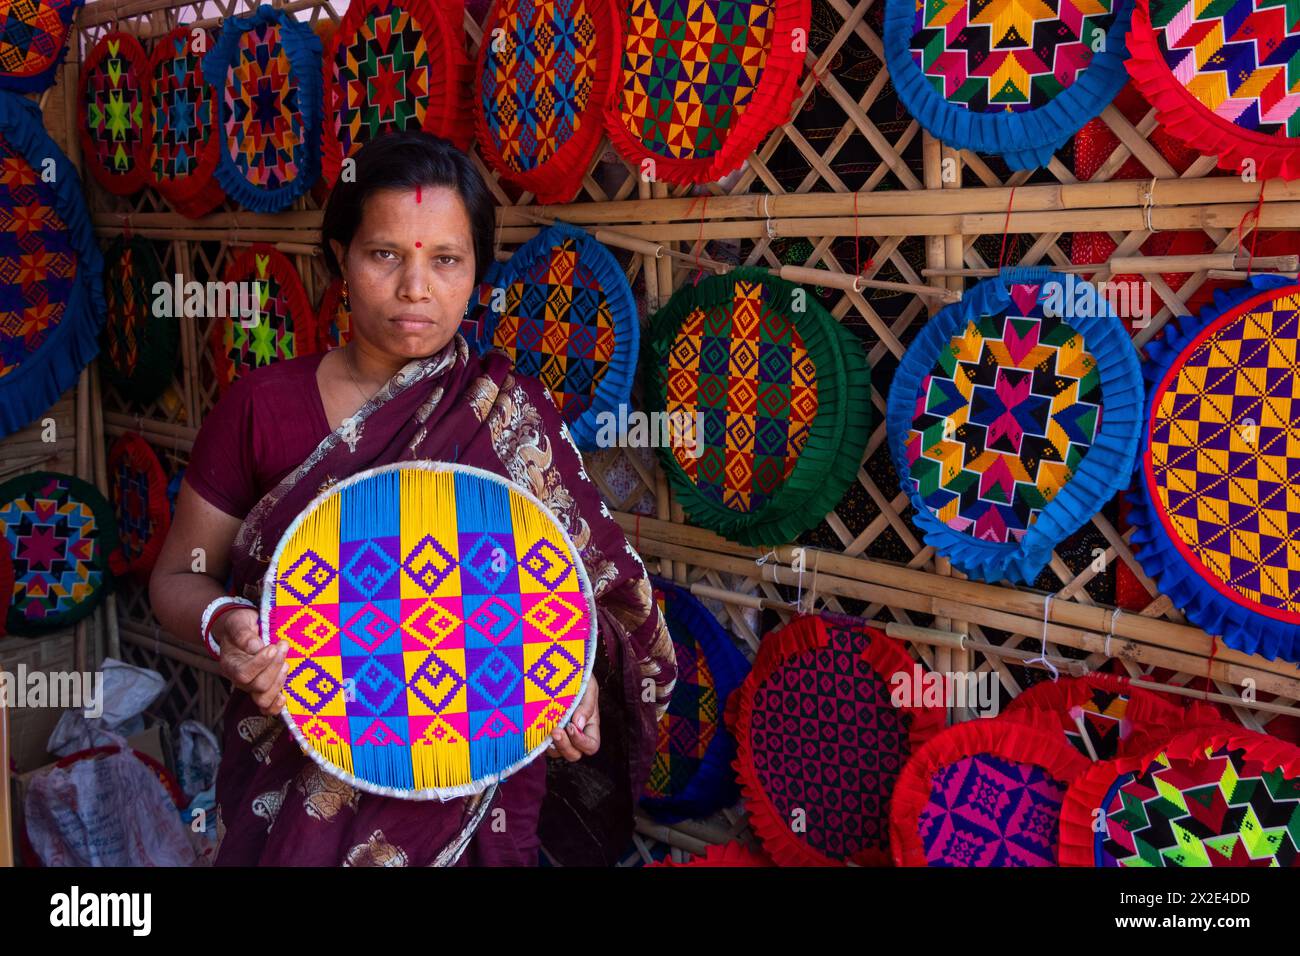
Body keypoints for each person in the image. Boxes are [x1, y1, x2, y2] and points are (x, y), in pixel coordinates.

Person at [149, 132, 676, 866]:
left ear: (477, 272)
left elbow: (591, 599)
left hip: (483, 787)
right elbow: (177, 577)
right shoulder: (262, 407)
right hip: (298, 778)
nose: (415, 289)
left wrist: (573, 678)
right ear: (340, 256)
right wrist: (227, 621)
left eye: (446, 261)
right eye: (385, 254)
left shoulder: (509, 411)